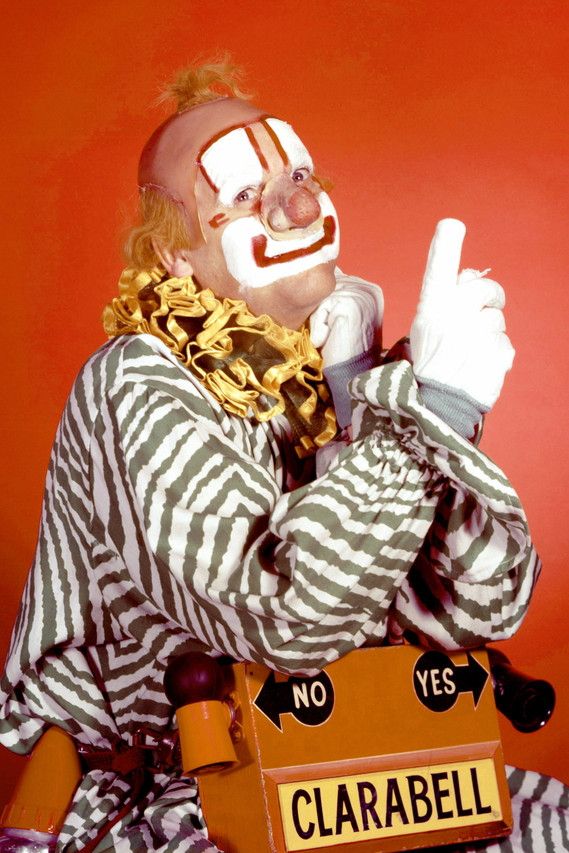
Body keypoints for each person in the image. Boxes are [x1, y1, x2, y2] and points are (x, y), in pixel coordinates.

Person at [0, 60, 544, 851]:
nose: (299, 204)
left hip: (378, 771)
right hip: (193, 792)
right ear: (177, 256)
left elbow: (481, 607)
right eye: (247, 193)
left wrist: (372, 399)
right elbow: (289, 621)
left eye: (298, 175)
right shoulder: (139, 380)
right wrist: (425, 414)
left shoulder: (343, 371)